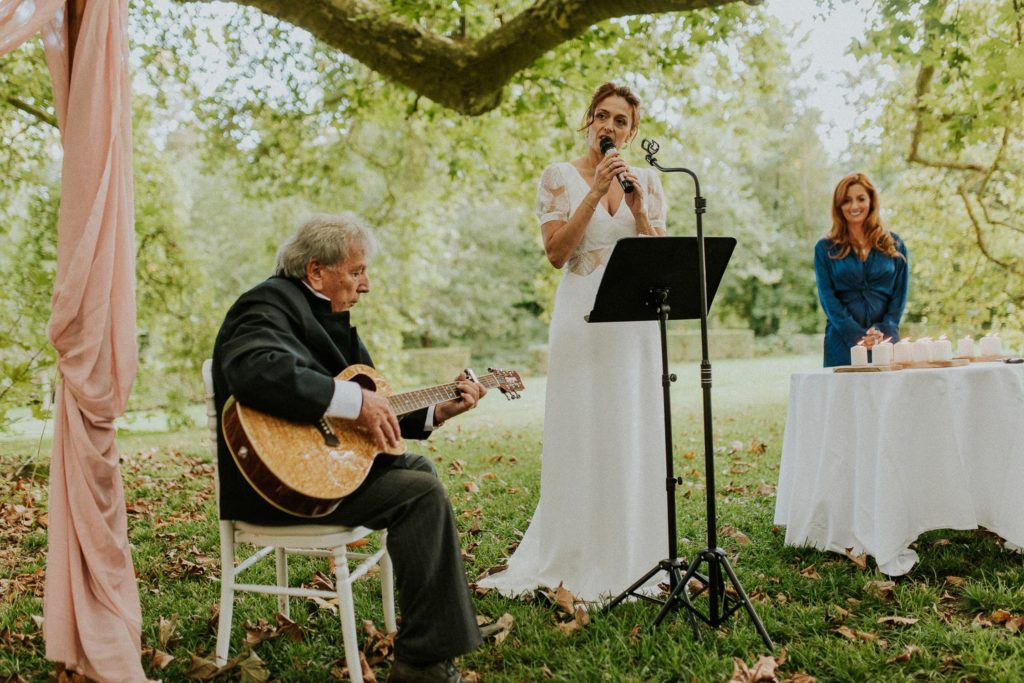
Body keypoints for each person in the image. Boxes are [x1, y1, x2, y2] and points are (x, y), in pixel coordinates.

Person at [212, 213, 484, 683]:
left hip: (323, 469)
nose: (366, 285)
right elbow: (254, 370)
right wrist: (355, 401)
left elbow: (377, 409)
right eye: (357, 271)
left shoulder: (330, 317)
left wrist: (438, 411)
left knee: (418, 470)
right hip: (278, 483)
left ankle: (427, 639)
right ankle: (422, 664)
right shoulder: (266, 304)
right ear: (316, 270)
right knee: (422, 494)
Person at [478, 82, 669, 602]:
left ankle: (632, 548)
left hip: (633, 321)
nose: (610, 127)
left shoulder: (647, 182)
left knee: (629, 425)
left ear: (633, 132)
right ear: (589, 121)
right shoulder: (558, 177)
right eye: (602, 117)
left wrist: (638, 206)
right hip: (581, 317)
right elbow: (557, 253)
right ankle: (574, 551)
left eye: (621, 121)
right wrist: (594, 191)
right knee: (582, 426)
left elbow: (658, 257)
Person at [814, 172, 909, 367]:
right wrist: (857, 336)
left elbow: (899, 297)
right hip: (841, 341)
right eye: (847, 201)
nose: (854, 206)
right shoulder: (825, 249)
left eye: (861, 199)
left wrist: (883, 331)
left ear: (871, 201)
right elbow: (828, 299)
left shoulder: (895, 245)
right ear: (839, 207)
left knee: (889, 397)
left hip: (886, 340)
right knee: (844, 397)